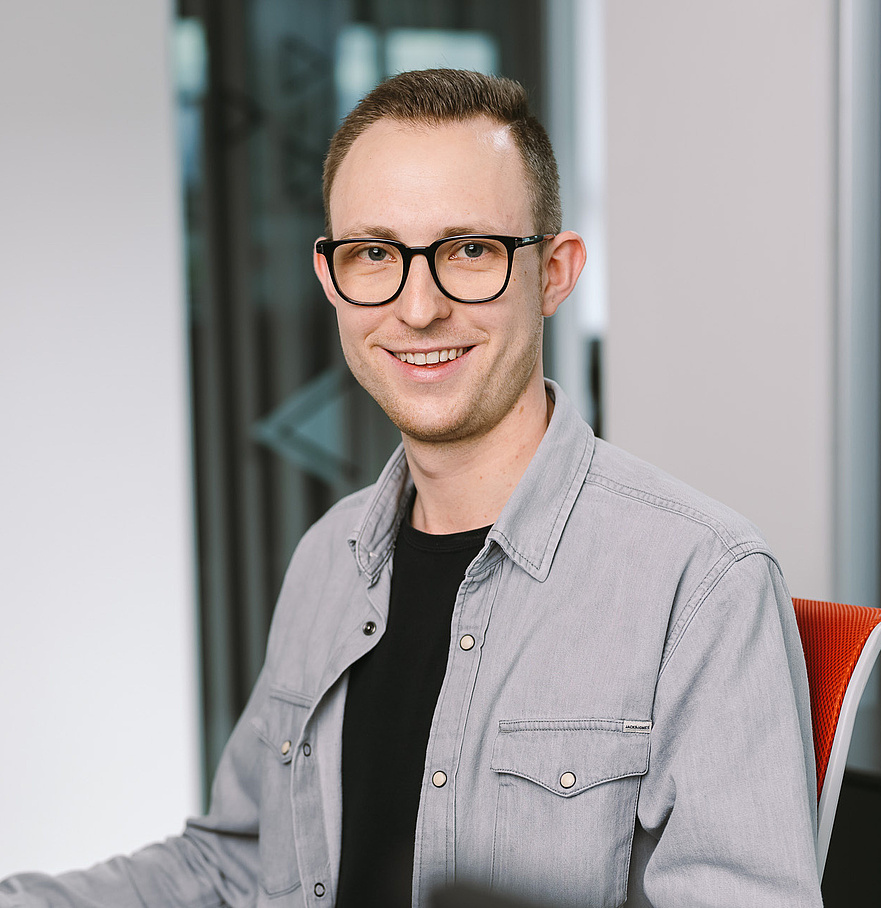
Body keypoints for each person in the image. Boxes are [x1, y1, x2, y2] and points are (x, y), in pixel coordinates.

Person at [1, 69, 822, 908]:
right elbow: (236, 869)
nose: (419, 307)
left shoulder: (701, 581)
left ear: (555, 272)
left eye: (471, 251)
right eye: (374, 254)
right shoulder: (329, 557)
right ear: (331, 282)